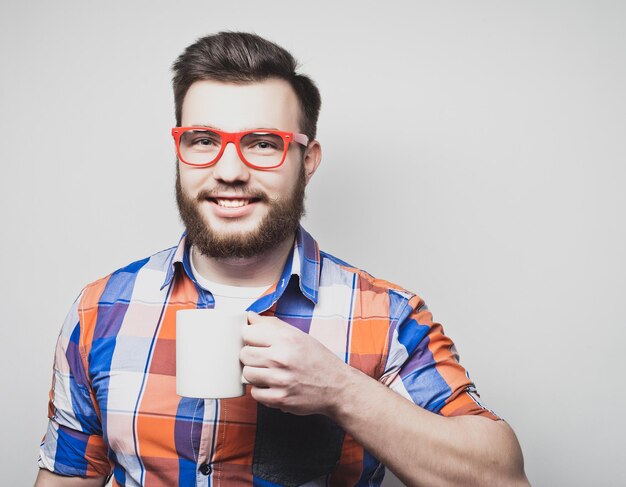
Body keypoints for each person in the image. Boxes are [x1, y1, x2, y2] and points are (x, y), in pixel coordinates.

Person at [35, 32, 528, 487]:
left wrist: (341, 391)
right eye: (204, 141)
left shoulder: (387, 317)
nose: (229, 171)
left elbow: (503, 477)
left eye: (263, 144)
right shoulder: (100, 309)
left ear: (307, 161)